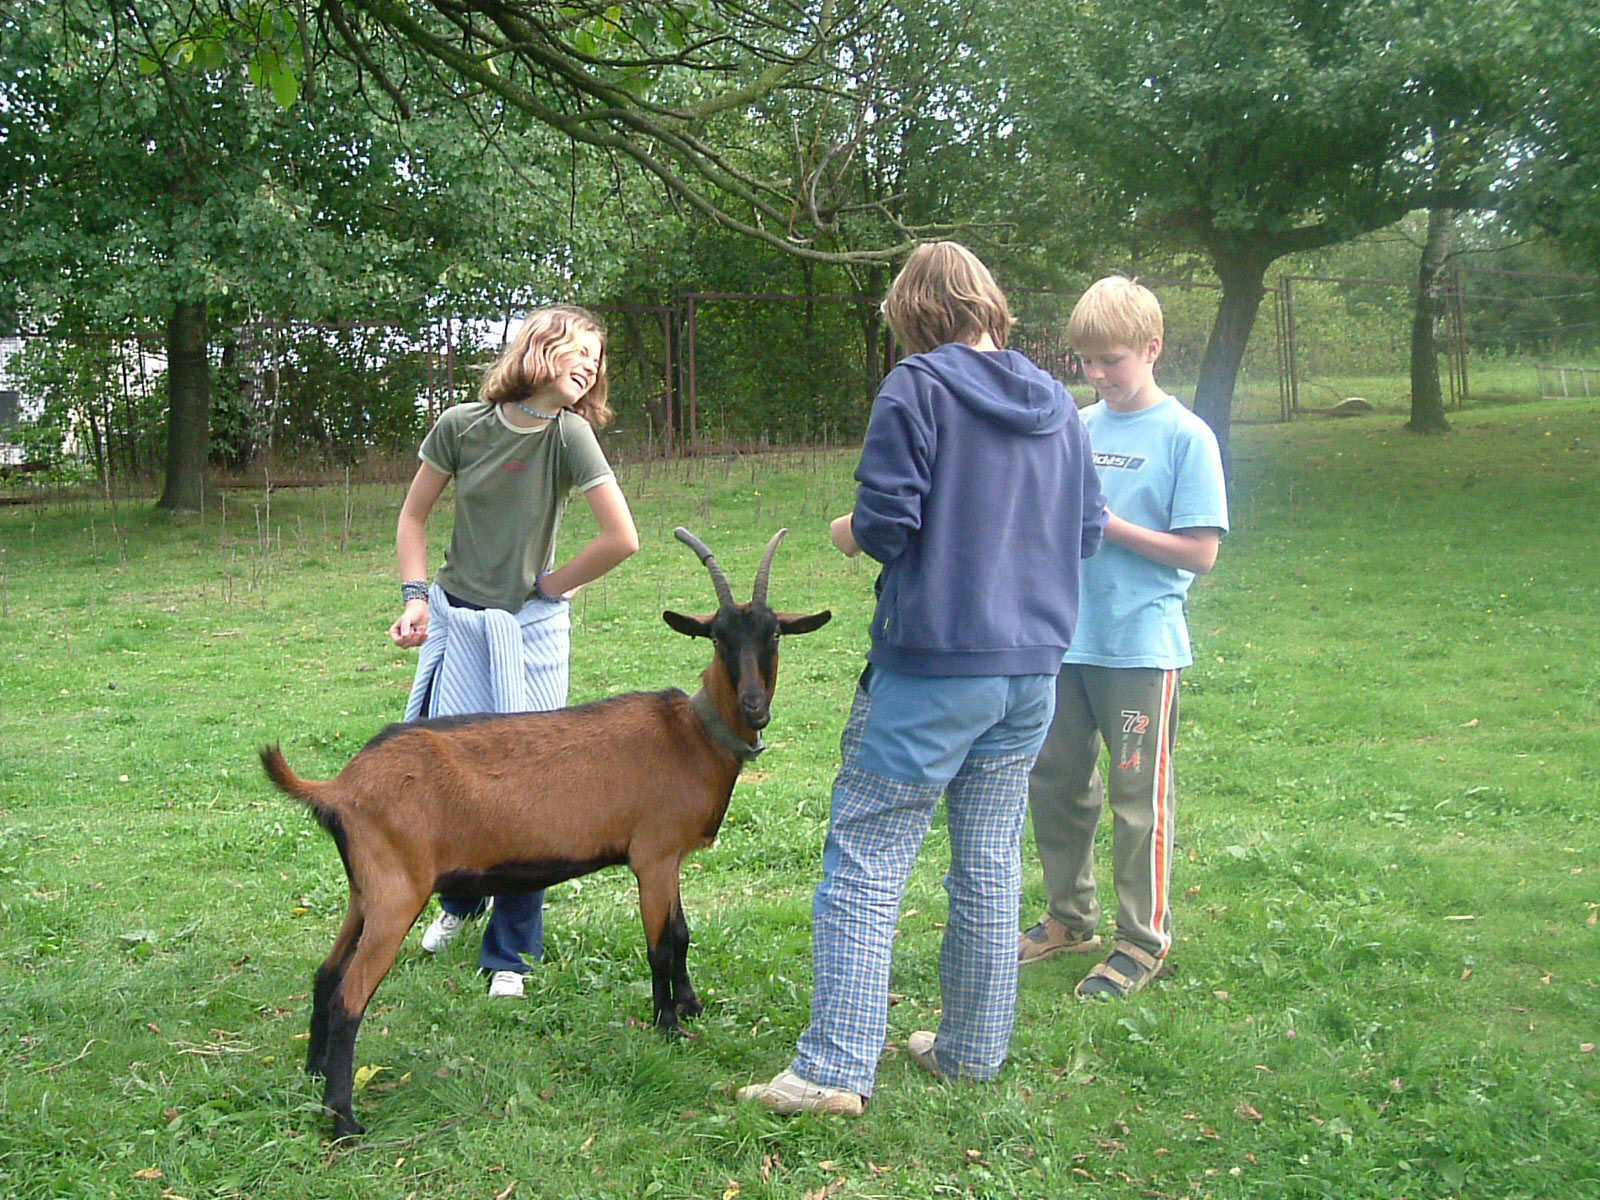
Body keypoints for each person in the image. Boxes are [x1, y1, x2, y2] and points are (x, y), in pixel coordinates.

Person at [737, 242, 1107, 1115]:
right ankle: (973, 1051)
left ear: (913, 314)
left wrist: (846, 530)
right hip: (1031, 674)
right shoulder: (1058, 399)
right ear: (987, 303)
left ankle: (832, 1071)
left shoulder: (917, 385)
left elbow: (890, 525)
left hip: (933, 669)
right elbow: (1087, 532)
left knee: (866, 861)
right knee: (985, 861)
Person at [389, 304, 640, 1000]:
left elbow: (622, 537)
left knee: (532, 793)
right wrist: (415, 598)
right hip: (458, 627)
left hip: (529, 634)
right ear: (537, 348)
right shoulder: (460, 426)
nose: (589, 363)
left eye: (597, 355)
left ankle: (510, 955)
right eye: (578, 348)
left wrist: (550, 588)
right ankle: (461, 902)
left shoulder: (573, 438)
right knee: (456, 783)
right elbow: (413, 515)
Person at [1018, 276, 1228, 999]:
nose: (1099, 375)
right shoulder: (1078, 427)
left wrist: (1111, 527)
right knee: (1057, 784)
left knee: (1137, 799)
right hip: (1066, 642)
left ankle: (1142, 940)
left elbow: (1201, 552)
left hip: (1140, 649)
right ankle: (1068, 918)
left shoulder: (1186, 437)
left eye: (1113, 360)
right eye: (1087, 362)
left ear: (1152, 348)